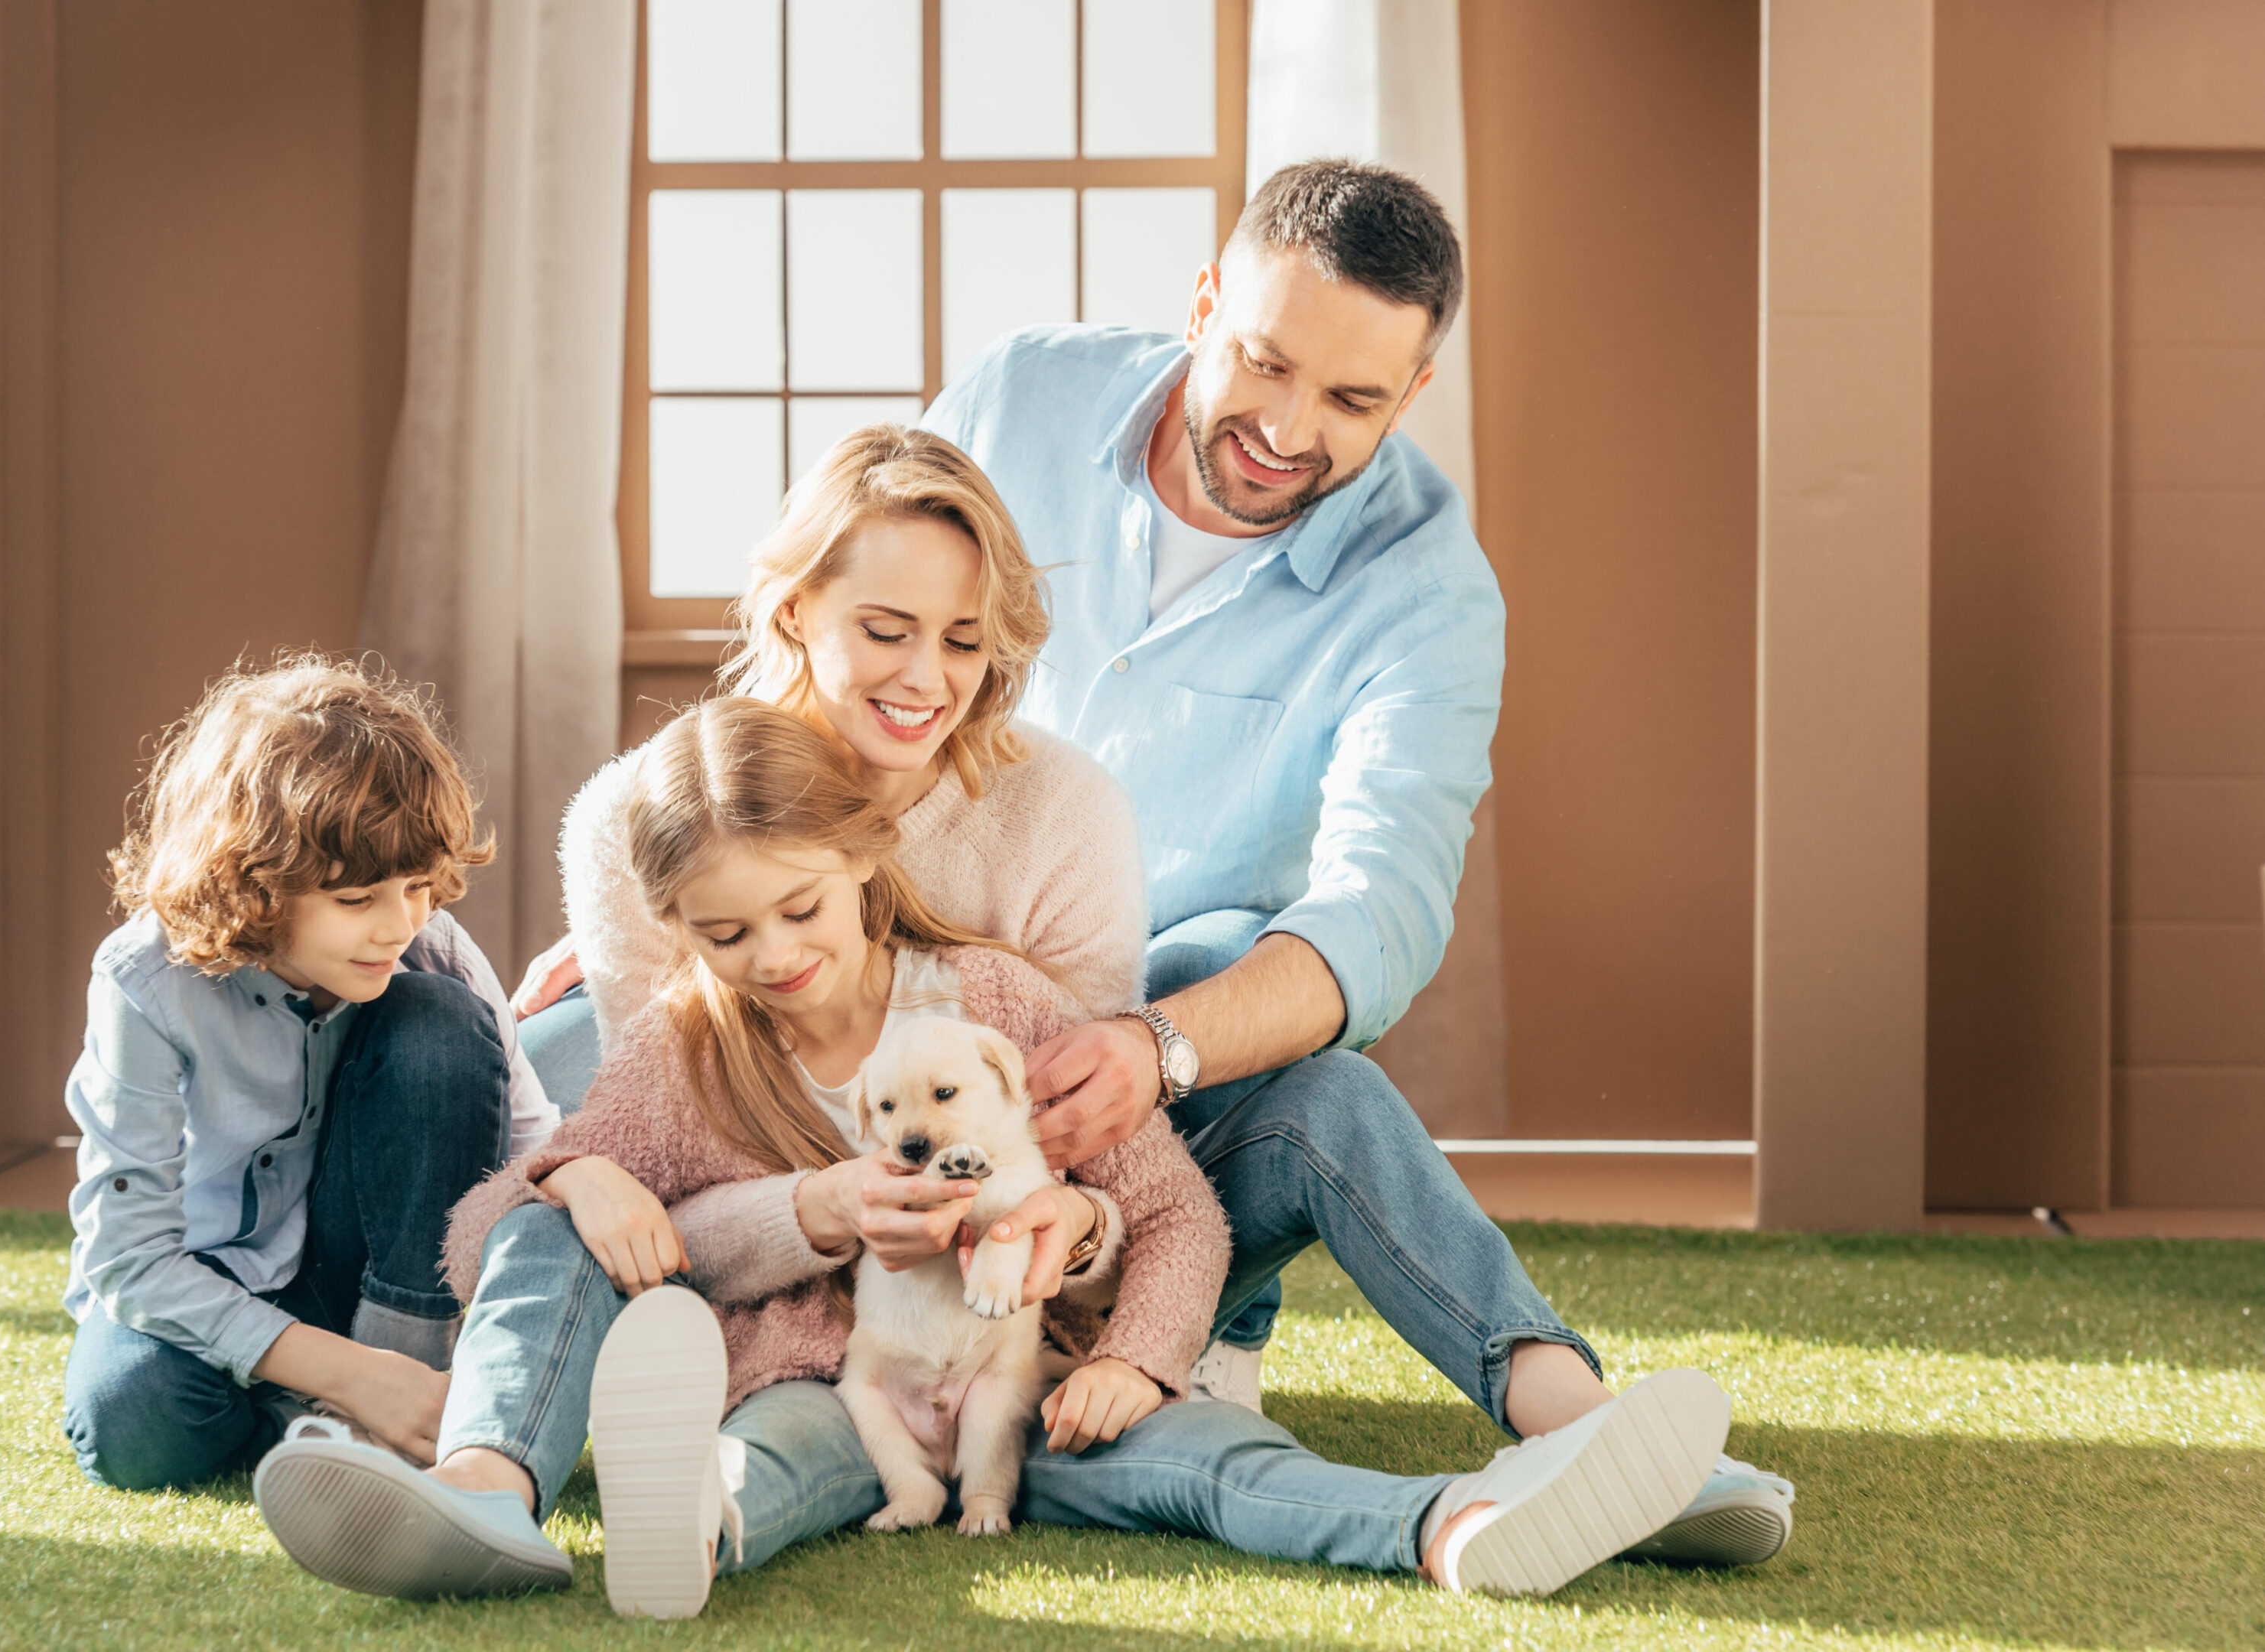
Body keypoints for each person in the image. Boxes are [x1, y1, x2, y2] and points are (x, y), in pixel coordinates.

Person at [250, 698, 1735, 1612]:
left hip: (1045, 1385)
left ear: (860, 869)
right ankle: (612, 1517)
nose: (770, 957)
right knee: (754, 1450)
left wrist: (1137, 1363)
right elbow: (497, 1236)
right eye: (723, 933)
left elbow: (1174, 1216)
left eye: (800, 913)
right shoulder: (683, 1054)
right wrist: (600, 1178)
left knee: (1221, 1470)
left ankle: (1464, 1524)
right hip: (843, 1398)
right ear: (677, 936)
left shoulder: (992, 1004)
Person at [913, 158, 1794, 1564]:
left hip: (1148, 1143)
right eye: (1263, 362)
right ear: (1205, 303)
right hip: (901, 1050)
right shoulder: (1018, 402)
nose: (1284, 429)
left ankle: (1582, 1424)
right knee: (603, 1028)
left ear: (1415, 390)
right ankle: (467, 1408)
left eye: (1351, 401)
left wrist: (1157, 1046)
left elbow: (1382, 908)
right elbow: (832, 635)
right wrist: (694, 884)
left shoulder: (1427, 592)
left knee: (1265, 1021)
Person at [519, 423, 1148, 1288]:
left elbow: (1073, 1132)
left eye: (962, 641)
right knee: (528, 1070)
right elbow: (680, 1121)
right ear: (792, 612)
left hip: (984, 1215)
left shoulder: (1068, 813)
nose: (927, 680)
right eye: (887, 632)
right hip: (758, 1188)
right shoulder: (626, 817)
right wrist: (580, 1167)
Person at [57, 657, 558, 1490]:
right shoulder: (145, 981)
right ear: (253, 885)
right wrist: (354, 1377)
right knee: (135, 1424)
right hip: (208, 1280)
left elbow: (535, 1150)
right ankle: (333, 1408)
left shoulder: (428, 947)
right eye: (356, 900)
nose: (397, 925)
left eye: (417, 887)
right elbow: (131, 1260)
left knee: (436, 1019)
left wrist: (589, 1183)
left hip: (377, 1291)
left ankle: (383, 1401)